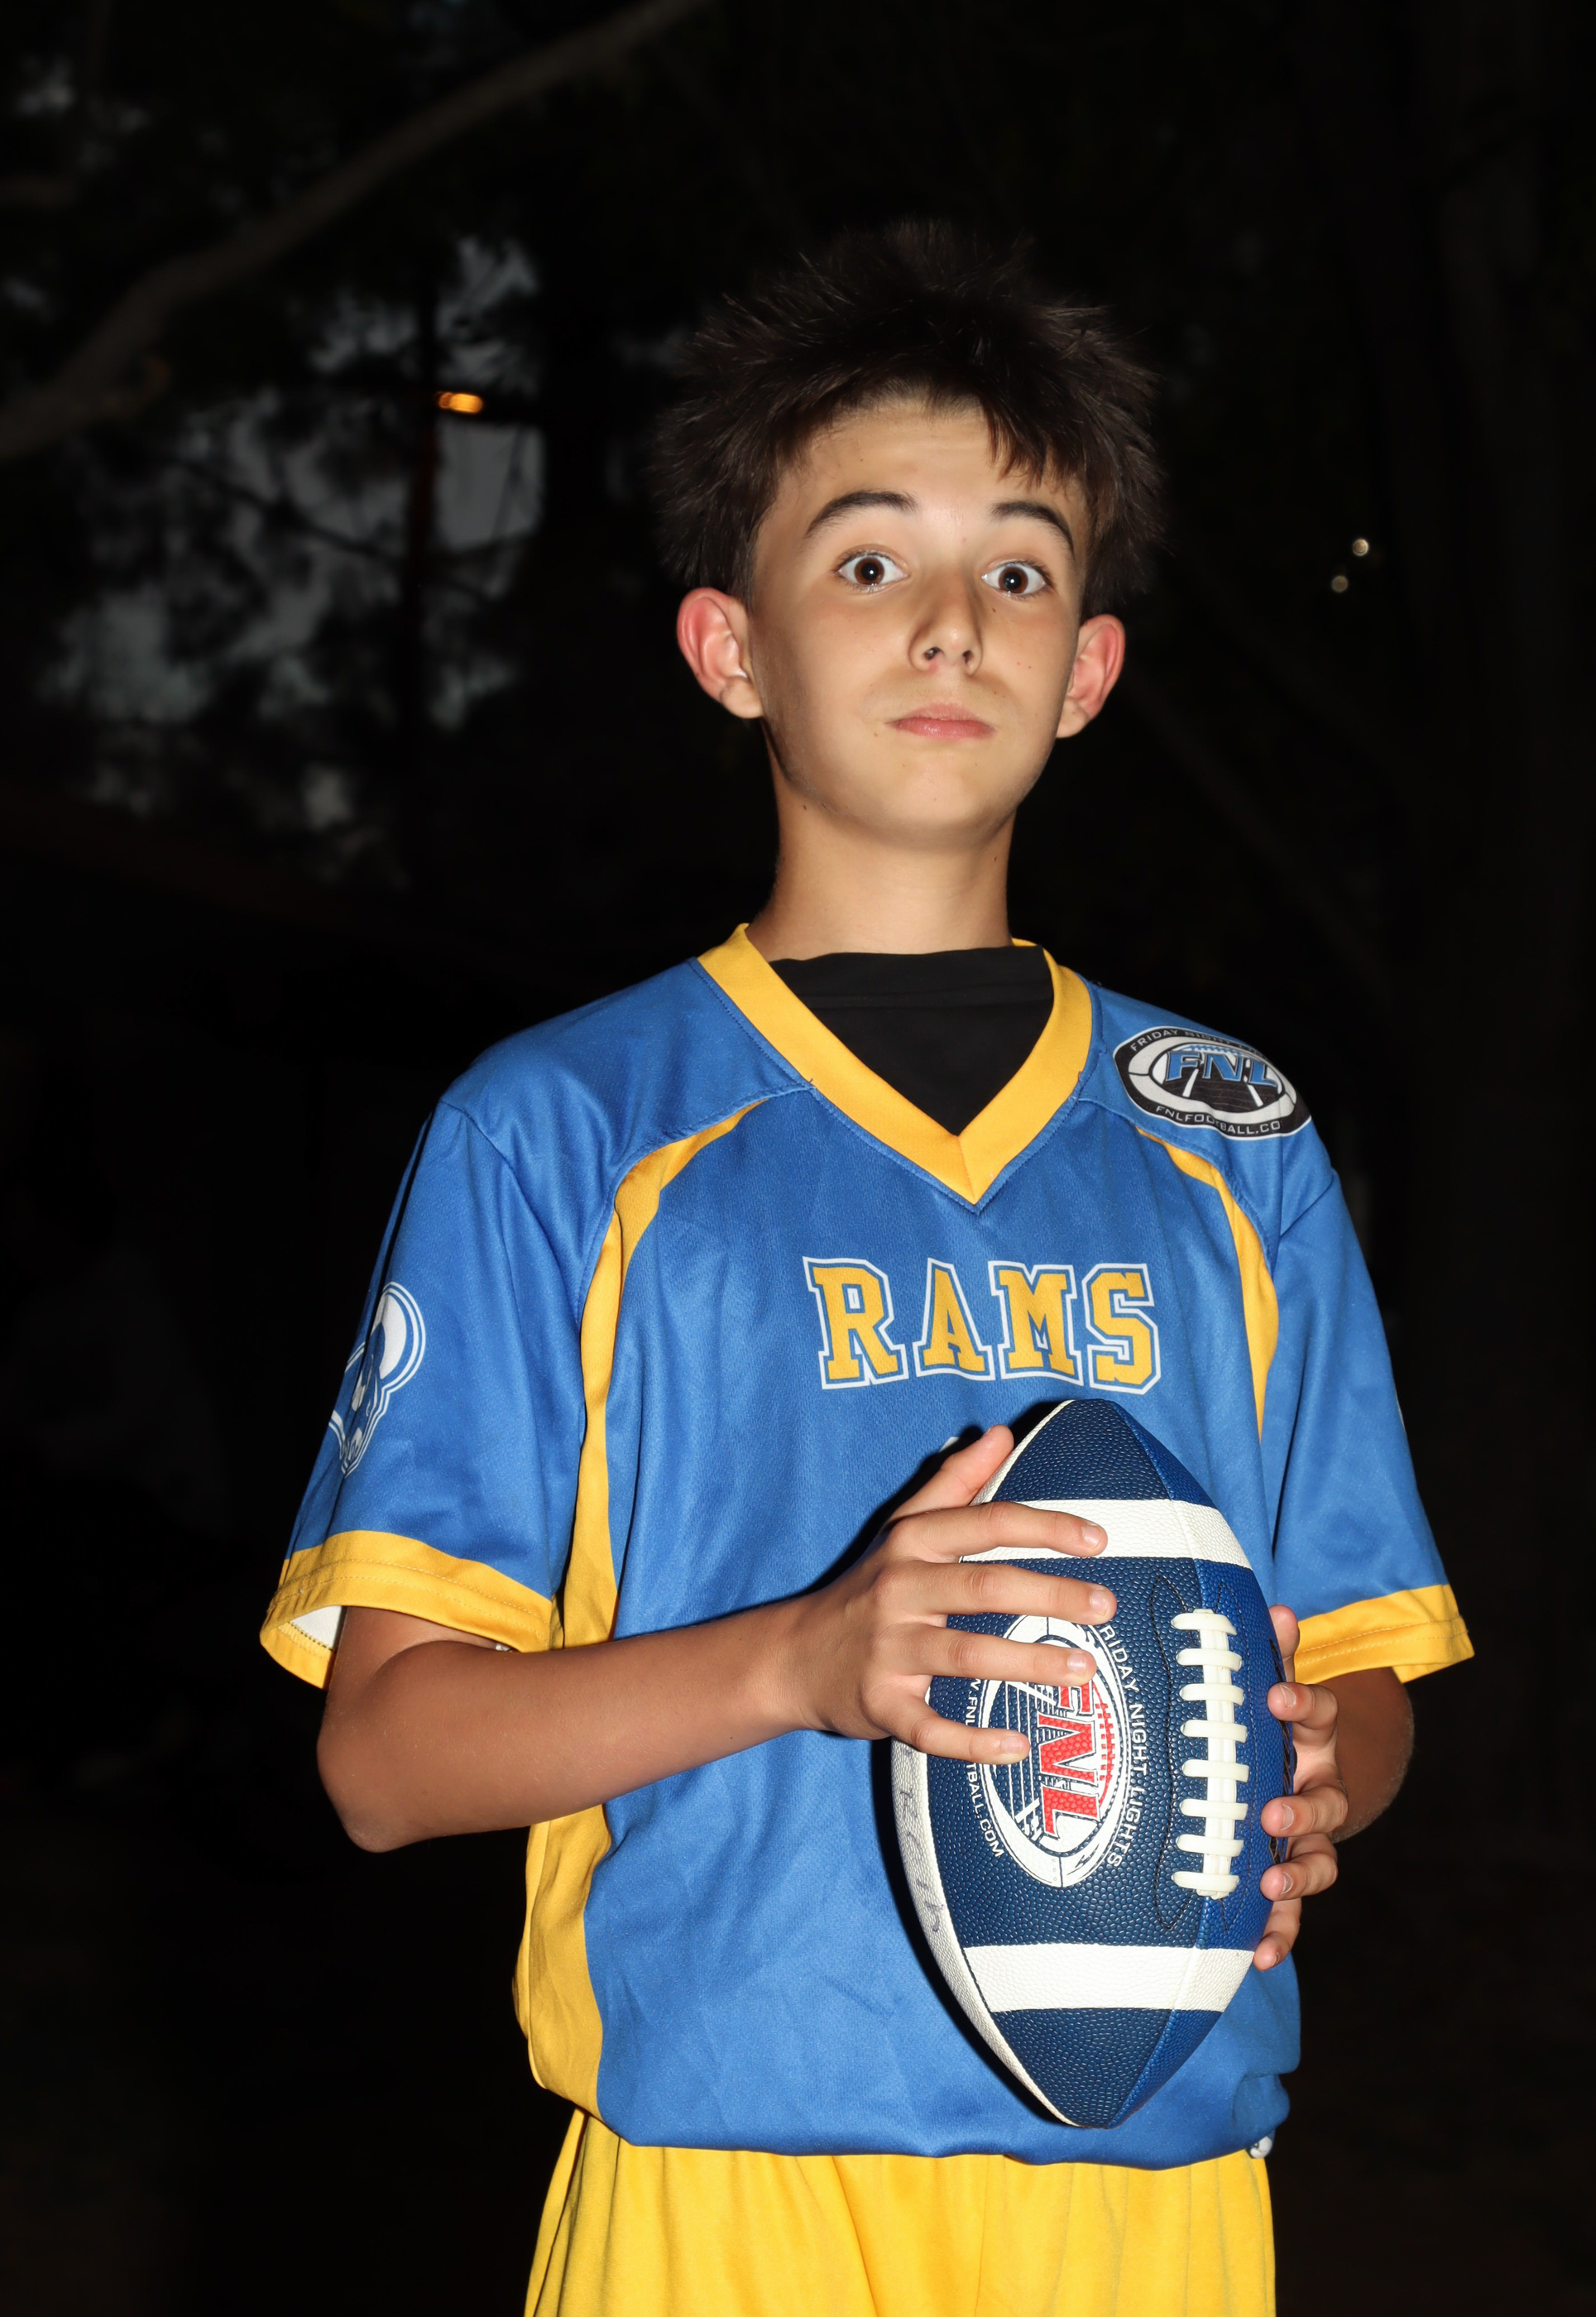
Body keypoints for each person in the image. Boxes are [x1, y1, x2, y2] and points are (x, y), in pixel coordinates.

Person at [261, 223, 1470, 2317]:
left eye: (1019, 570)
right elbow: (383, 1762)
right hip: (722, 2202)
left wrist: (1311, 1777)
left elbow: (1361, 1673)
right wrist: (803, 1661)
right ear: (729, 645)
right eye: (867, 558)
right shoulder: (566, 1127)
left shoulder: (1229, 1140)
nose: (947, 622)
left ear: (1088, 668)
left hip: (1154, 2192)